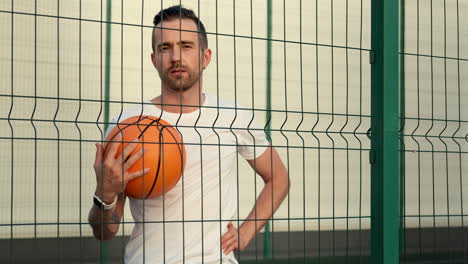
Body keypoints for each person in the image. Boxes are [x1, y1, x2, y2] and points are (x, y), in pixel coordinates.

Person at [88, 5, 289, 264]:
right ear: (154, 59)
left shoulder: (232, 116)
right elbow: (105, 232)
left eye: (186, 46)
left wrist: (246, 232)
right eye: (165, 48)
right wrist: (103, 194)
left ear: (205, 57)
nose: (175, 57)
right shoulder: (126, 126)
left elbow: (279, 178)